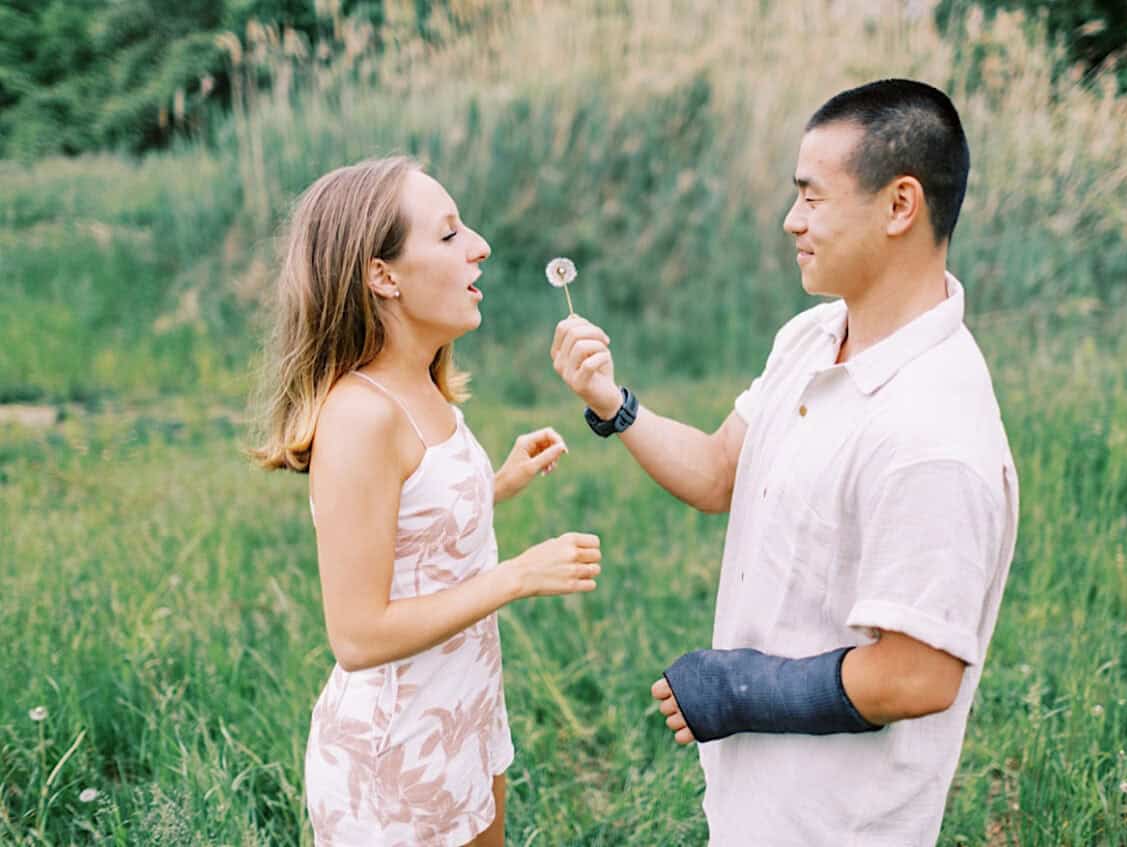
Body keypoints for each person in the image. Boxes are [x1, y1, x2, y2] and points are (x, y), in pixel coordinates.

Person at [548, 79, 1018, 844]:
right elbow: (717, 472)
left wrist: (738, 687)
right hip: (755, 804)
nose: (790, 220)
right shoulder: (810, 335)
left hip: (840, 823)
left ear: (900, 206)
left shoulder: (935, 430)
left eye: (812, 197)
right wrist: (610, 401)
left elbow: (917, 674)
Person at [252, 156, 604, 846]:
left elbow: (410, 525)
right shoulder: (360, 414)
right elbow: (356, 635)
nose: (480, 245)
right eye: (448, 235)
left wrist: (494, 483)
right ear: (382, 275)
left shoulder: (421, 381)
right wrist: (518, 576)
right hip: (392, 760)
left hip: (464, 717)